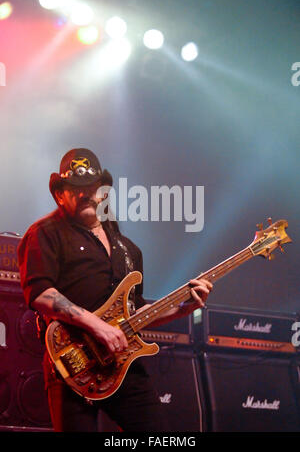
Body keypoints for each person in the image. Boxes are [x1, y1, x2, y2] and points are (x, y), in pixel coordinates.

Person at [17, 148, 213, 432]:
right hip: (74, 364)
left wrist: (185, 308)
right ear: (61, 194)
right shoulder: (45, 233)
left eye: (91, 187)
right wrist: (97, 325)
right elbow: (40, 293)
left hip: (124, 366)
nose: (85, 193)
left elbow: (138, 311)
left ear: (103, 192)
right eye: (76, 187)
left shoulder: (128, 249)